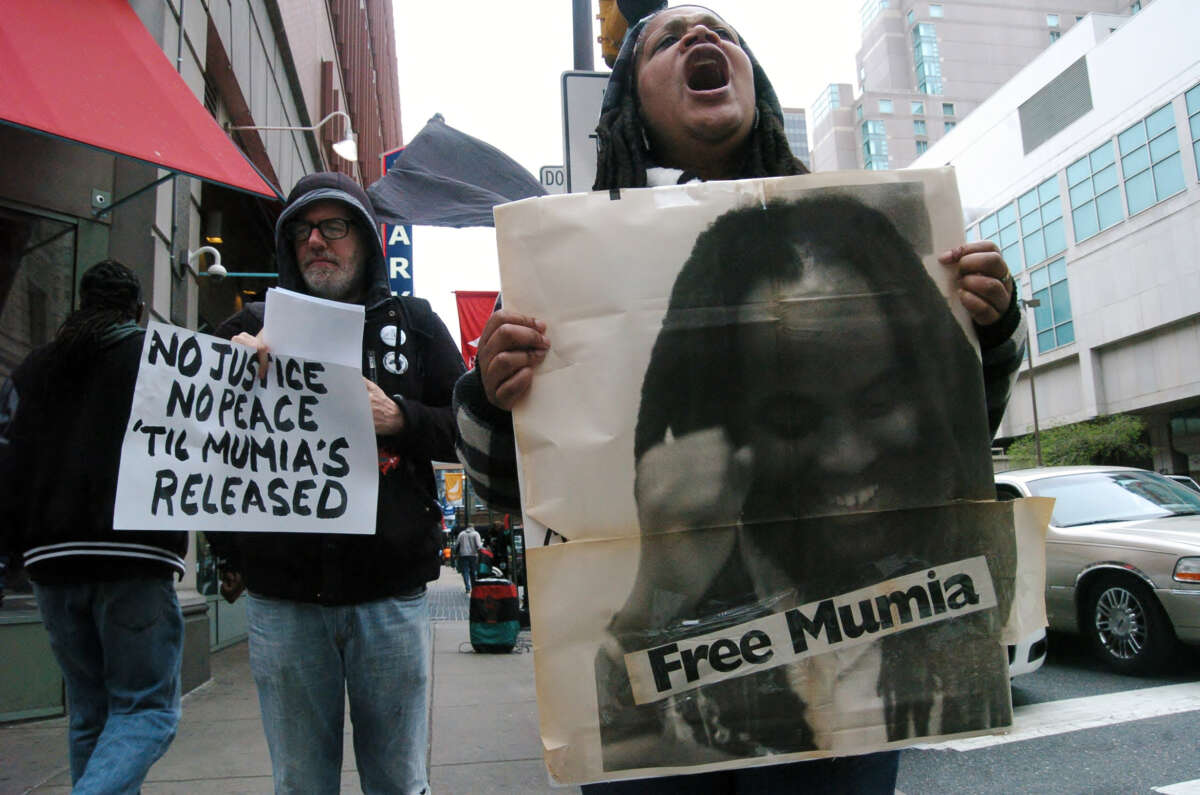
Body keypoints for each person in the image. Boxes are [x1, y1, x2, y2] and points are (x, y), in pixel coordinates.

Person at [453, 6, 1025, 791]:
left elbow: (959, 436)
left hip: (842, 750)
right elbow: (502, 492)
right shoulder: (569, 277)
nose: (701, 39)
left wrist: (986, 334)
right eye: (667, 38)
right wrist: (493, 396)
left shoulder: (848, 230)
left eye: (722, 30)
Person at [208, 171, 464, 795]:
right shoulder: (251, 326)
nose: (318, 241)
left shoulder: (417, 324)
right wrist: (230, 364)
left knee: (399, 782)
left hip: (390, 596)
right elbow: (204, 449)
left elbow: (470, 427)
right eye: (303, 230)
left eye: (335, 226)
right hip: (285, 601)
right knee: (300, 784)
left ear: (367, 239)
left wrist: (400, 416)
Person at [0, 260, 187, 793]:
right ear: (135, 308)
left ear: (79, 304)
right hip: (134, 561)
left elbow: (6, 462)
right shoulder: (155, 359)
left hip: (49, 566)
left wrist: (11, 554)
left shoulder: (33, 370)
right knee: (148, 711)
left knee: (90, 716)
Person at [455, 523, 484, 592]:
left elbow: (456, 544)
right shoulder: (476, 534)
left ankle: (467, 587)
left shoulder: (461, 534)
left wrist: (456, 553)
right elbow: (479, 545)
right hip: (473, 555)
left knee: (465, 571)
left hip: (463, 554)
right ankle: (474, 587)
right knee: (473, 571)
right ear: (473, 527)